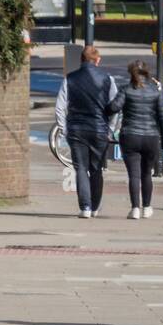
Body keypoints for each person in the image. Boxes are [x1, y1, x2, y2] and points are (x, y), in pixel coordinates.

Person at [56, 45, 123, 219]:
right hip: (99, 129)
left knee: (80, 168)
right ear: (97, 60)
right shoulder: (107, 79)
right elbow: (115, 106)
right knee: (96, 169)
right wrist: (111, 128)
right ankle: (94, 206)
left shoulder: (69, 79)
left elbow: (60, 106)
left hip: (76, 129)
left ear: (81, 60)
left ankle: (84, 207)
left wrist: (64, 129)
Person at [118, 59, 163, 219]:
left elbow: (113, 107)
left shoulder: (126, 90)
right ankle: (147, 207)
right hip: (151, 137)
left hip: (130, 136)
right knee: (147, 173)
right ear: (147, 73)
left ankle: (135, 209)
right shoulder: (155, 91)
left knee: (134, 175)